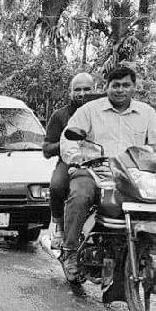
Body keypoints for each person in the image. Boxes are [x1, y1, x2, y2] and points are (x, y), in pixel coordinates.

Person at [59, 66, 156, 282]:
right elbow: (68, 139)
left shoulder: (146, 112)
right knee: (80, 195)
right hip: (96, 171)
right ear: (106, 87)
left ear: (134, 87)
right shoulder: (89, 110)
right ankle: (69, 252)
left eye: (126, 85)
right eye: (115, 85)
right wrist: (76, 158)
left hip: (133, 175)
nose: (120, 90)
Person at [43, 72, 95, 249]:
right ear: (70, 92)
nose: (82, 94)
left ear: (95, 90)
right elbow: (47, 148)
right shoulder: (60, 116)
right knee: (56, 186)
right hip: (69, 161)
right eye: (77, 90)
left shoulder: (102, 113)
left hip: (100, 160)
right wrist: (68, 144)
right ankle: (59, 227)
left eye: (87, 89)